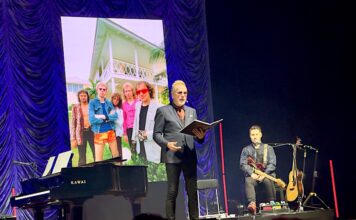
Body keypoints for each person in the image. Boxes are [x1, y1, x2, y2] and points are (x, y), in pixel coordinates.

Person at [153, 80, 206, 220]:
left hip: (189, 155)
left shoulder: (192, 111)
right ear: (172, 94)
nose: (182, 96)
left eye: (185, 93)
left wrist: (200, 137)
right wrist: (167, 144)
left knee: (192, 191)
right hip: (172, 155)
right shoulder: (162, 111)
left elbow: (197, 135)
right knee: (172, 191)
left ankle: (194, 218)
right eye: (179, 93)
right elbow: (156, 134)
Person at [240, 125, 276, 214]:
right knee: (248, 180)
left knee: (267, 180)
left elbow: (272, 164)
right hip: (254, 176)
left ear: (261, 135)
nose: (255, 137)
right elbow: (242, 164)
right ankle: (252, 205)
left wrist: (263, 175)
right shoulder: (246, 150)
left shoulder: (269, 148)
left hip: (266, 175)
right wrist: (251, 173)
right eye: (252, 135)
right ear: (250, 136)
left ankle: (272, 204)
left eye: (256, 134)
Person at [89, 82, 119, 162]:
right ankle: (100, 174)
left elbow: (115, 116)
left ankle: (117, 172)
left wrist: (104, 117)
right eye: (100, 89)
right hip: (99, 133)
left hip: (110, 131)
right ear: (97, 90)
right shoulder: (92, 103)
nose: (102, 91)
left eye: (104, 89)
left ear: (106, 91)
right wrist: (104, 118)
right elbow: (91, 119)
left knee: (115, 155)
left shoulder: (108, 103)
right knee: (99, 159)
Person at [132, 81, 161, 163]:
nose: (141, 94)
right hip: (140, 148)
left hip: (152, 149)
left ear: (149, 91)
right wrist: (133, 143)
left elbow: (161, 131)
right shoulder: (137, 105)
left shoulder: (158, 108)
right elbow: (136, 124)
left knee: (153, 174)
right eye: (138, 92)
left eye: (144, 91)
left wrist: (144, 135)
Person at [70, 90, 95, 166]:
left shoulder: (92, 106)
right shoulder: (75, 107)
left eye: (85, 95)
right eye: (81, 96)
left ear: (87, 97)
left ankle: (99, 171)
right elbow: (73, 123)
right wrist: (73, 139)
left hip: (92, 131)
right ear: (79, 97)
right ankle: (81, 174)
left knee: (96, 152)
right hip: (80, 133)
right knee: (82, 156)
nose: (83, 97)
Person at [122, 82, 138, 155]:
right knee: (132, 147)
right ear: (124, 93)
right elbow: (124, 119)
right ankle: (135, 162)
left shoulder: (138, 101)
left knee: (142, 145)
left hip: (139, 127)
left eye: (129, 91)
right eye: (126, 91)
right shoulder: (123, 105)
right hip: (129, 129)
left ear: (132, 91)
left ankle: (144, 162)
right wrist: (125, 133)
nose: (128, 93)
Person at [111, 92, 124, 158]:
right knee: (112, 149)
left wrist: (113, 119)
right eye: (114, 99)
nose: (115, 101)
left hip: (117, 131)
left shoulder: (120, 110)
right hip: (110, 131)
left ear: (119, 101)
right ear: (112, 99)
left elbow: (121, 122)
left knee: (118, 147)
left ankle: (120, 162)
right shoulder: (109, 109)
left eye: (117, 100)